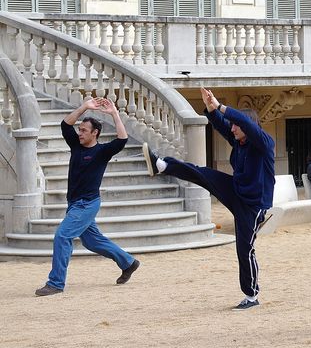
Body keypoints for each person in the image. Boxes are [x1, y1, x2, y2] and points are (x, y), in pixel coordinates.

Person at [143, 87, 275, 310]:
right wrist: (212, 110)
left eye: (236, 125)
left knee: (244, 249)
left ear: (247, 126)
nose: (232, 128)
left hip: (253, 206)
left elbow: (244, 123)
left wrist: (222, 106)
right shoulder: (239, 142)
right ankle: (163, 165)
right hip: (236, 191)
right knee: (203, 173)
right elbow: (223, 127)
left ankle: (251, 296)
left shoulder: (263, 144)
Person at [35, 97, 140, 296]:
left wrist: (114, 113)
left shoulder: (102, 152)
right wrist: (84, 107)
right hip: (74, 203)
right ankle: (128, 262)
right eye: (80, 130)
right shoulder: (75, 145)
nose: (79, 133)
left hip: (87, 204)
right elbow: (65, 124)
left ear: (95, 133)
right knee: (92, 242)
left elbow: (122, 139)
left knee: (62, 236)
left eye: (84, 130)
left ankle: (56, 283)